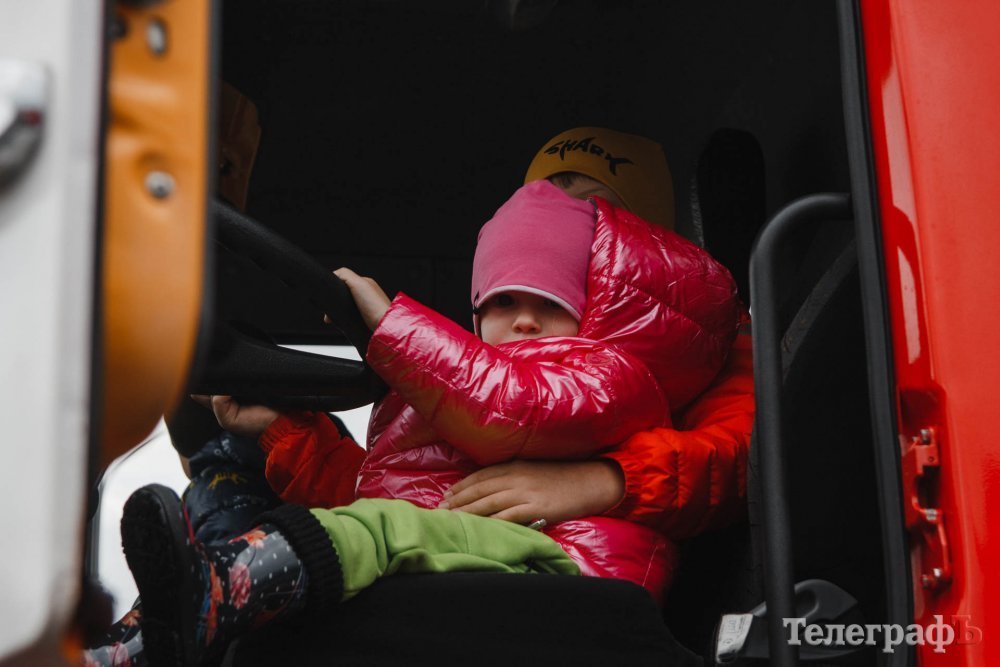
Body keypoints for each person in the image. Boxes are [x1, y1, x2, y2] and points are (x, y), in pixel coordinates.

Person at [119, 177, 740, 666]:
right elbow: (387, 494)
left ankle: (229, 589)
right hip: (478, 567)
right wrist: (283, 431)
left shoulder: (608, 375)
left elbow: (513, 404)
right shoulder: (460, 405)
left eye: (551, 302)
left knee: (381, 532)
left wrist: (393, 329)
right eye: (502, 301)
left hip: (559, 573)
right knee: (358, 535)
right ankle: (140, 635)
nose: (524, 321)